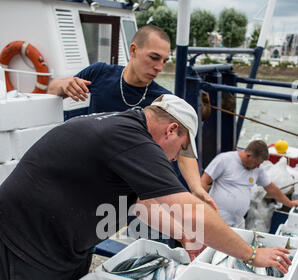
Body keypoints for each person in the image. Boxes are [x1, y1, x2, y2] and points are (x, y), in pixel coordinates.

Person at [0, 95, 290, 280]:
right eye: (182, 148)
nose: (177, 157)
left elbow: (143, 203)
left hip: (66, 248)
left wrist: (184, 235)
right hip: (26, 246)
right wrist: (251, 254)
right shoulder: (133, 139)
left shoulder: (126, 130)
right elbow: (192, 211)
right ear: (172, 130)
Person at [47, 24, 216, 210]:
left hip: (130, 194)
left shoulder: (163, 101)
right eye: (154, 57)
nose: (159, 67)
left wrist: (196, 188)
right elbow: (52, 89)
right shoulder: (99, 74)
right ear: (133, 50)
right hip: (91, 181)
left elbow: (182, 147)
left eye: (164, 61)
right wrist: (66, 85)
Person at [201, 140, 298, 228]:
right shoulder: (224, 159)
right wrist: (203, 206)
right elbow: (203, 181)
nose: (258, 167)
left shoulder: (257, 169)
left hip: (238, 222)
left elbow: (271, 188)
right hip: (216, 220)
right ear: (248, 155)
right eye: (257, 163)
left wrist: (289, 203)